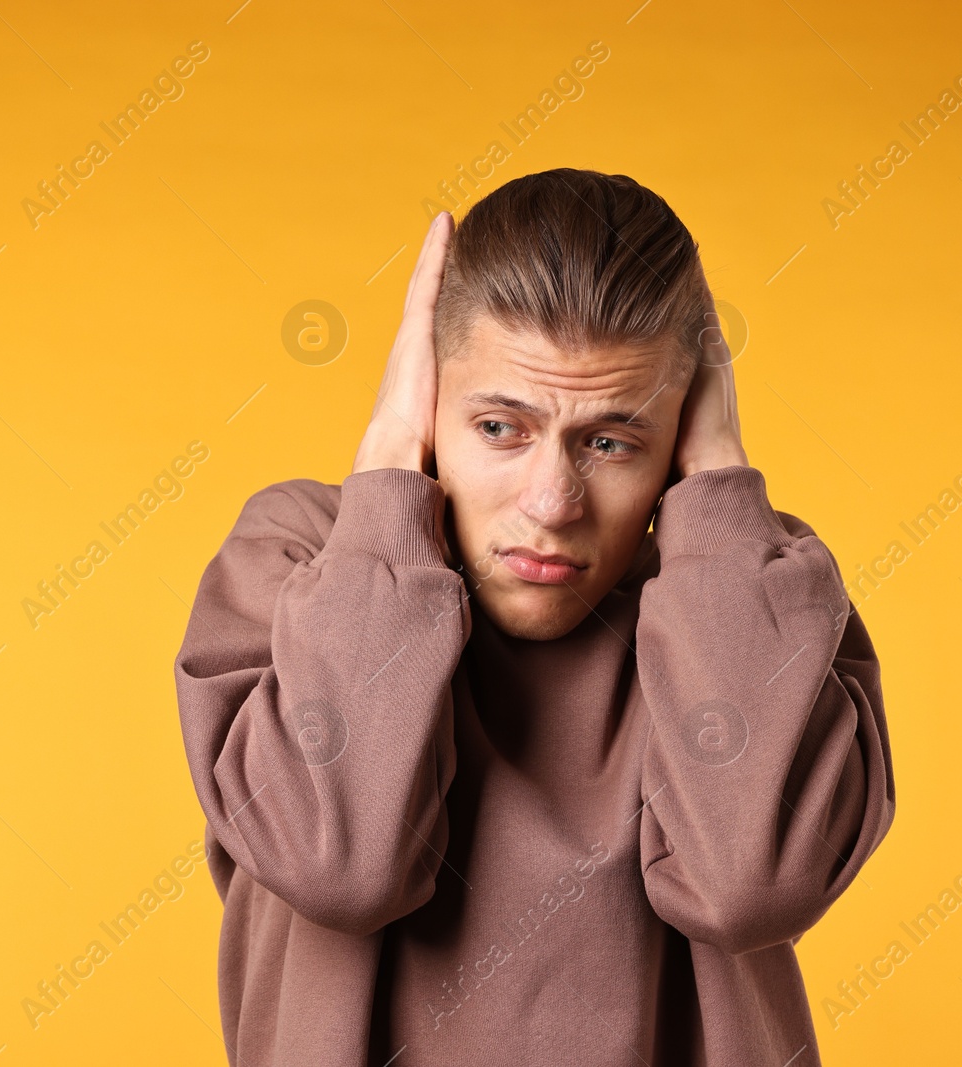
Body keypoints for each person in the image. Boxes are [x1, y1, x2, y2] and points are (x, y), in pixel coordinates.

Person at [173, 168, 895, 1066]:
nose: (553, 501)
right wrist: (390, 470)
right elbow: (340, 864)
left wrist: (717, 486)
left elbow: (752, 887)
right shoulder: (303, 558)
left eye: (610, 441)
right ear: (429, 395)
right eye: (499, 428)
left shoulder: (752, 589)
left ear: (678, 435)